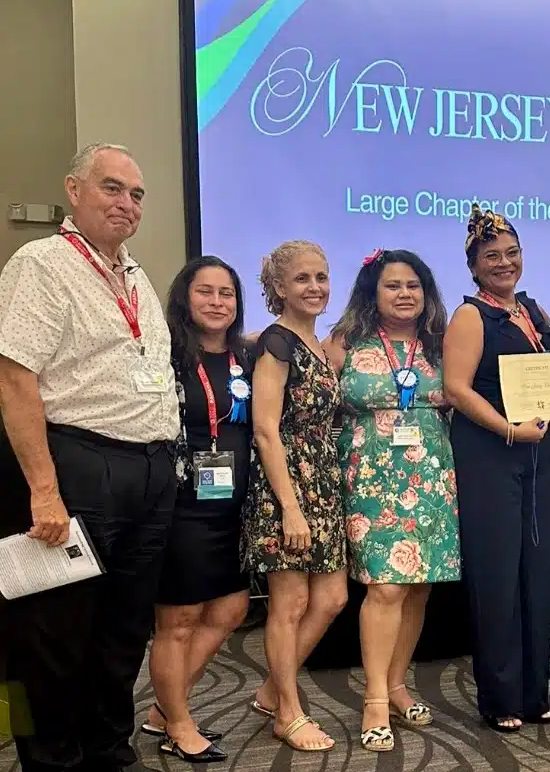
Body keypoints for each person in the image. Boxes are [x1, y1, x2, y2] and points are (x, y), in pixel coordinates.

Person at [0, 143, 179, 772]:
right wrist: (44, 491)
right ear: (74, 190)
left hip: (150, 471)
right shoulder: (42, 263)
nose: (126, 204)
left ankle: (108, 749)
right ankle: (48, 761)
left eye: (136, 194)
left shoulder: (135, 274)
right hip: (78, 466)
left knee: (123, 632)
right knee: (50, 636)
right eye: (112, 188)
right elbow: (15, 379)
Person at [325, 248, 460, 752]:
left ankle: (399, 684)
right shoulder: (345, 342)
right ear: (372, 293)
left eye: (413, 286)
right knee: (384, 588)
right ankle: (375, 699)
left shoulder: (440, 344)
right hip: (370, 478)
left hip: (431, 477)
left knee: (418, 587)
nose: (405, 294)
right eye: (393, 286)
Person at [443, 205, 550, 732]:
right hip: (491, 453)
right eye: (492, 256)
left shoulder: (532, 310)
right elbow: (457, 389)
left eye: (512, 253)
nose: (504, 263)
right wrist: (509, 430)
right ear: (473, 266)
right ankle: (499, 697)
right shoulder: (470, 315)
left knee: (536, 574)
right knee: (496, 577)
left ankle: (535, 692)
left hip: (537, 457)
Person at [140, 257, 254, 762]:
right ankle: (179, 723)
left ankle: (163, 710)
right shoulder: (165, 355)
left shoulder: (245, 359)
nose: (216, 302)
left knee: (232, 608)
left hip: (230, 503)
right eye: (205, 292)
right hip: (182, 503)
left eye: (226, 293)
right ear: (186, 298)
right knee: (179, 620)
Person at [242, 241, 347, 752]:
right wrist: (289, 507)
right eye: (303, 279)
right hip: (287, 487)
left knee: (332, 599)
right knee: (290, 604)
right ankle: (287, 710)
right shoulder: (277, 342)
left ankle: (268, 690)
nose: (315, 287)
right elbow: (265, 429)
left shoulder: (319, 343)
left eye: (322, 277)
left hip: (324, 482)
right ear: (280, 288)